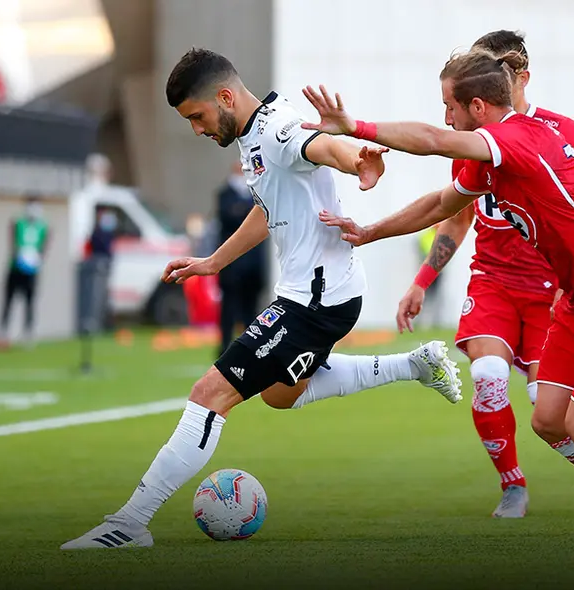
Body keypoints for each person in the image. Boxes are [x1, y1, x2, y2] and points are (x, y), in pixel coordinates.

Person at [302, 48, 574, 540]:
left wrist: (355, 126)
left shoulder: (516, 139)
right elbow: (443, 204)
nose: (445, 117)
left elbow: (432, 141)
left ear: (478, 109)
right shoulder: (494, 157)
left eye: (450, 105)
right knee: (549, 420)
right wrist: (371, 231)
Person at [60, 48, 463, 550]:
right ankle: (415, 365)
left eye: (198, 116)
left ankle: (129, 522)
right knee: (279, 393)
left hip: (317, 300)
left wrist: (356, 160)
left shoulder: (276, 129)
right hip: (317, 293)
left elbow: (319, 147)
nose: (197, 130)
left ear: (225, 97)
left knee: (210, 393)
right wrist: (213, 261)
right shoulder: (254, 135)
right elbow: (267, 205)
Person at [401, 30, 574, 518]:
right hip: (493, 282)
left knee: (548, 409)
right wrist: (422, 282)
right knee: (487, 376)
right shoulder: (474, 141)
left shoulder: (561, 133)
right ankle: (512, 485)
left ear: (520, 77)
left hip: (551, 291)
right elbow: (457, 213)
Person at [216, 159, 268, 355]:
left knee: (251, 309)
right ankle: (225, 346)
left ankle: (249, 347)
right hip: (232, 265)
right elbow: (229, 216)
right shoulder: (225, 194)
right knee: (229, 307)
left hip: (253, 264)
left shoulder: (256, 193)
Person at [0, 195, 49, 343]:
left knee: (30, 301)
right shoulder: (18, 223)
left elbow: (44, 246)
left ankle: (28, 332)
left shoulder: (43, 226)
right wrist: (19, 257)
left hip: (32, 270)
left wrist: (37, 259)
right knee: (9, 300)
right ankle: (4, 330)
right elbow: (13, 243)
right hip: (16, 268)